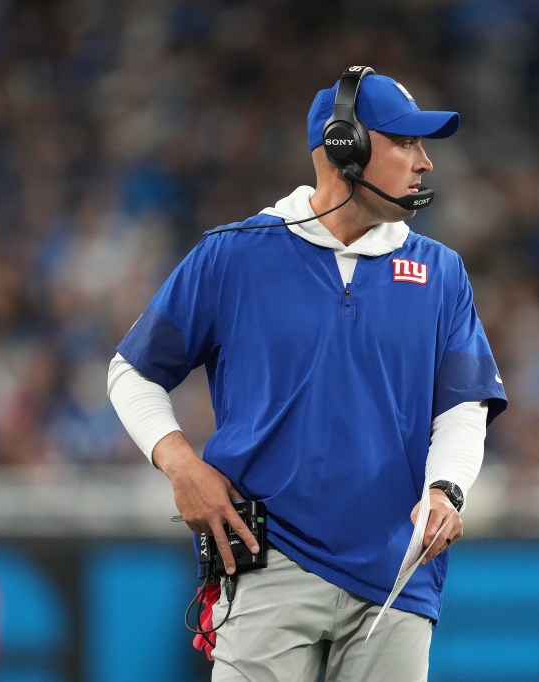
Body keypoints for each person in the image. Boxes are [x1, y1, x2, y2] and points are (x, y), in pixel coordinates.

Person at [107, 65, 507, 681]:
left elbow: (463, 406)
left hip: (397, 577)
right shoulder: (233, 255)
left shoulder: (442, 273)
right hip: (267, 562)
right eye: (405, 142)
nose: (424, 162)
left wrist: (446, 488)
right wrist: (182, 466)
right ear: (344, 147)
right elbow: (132, 372)